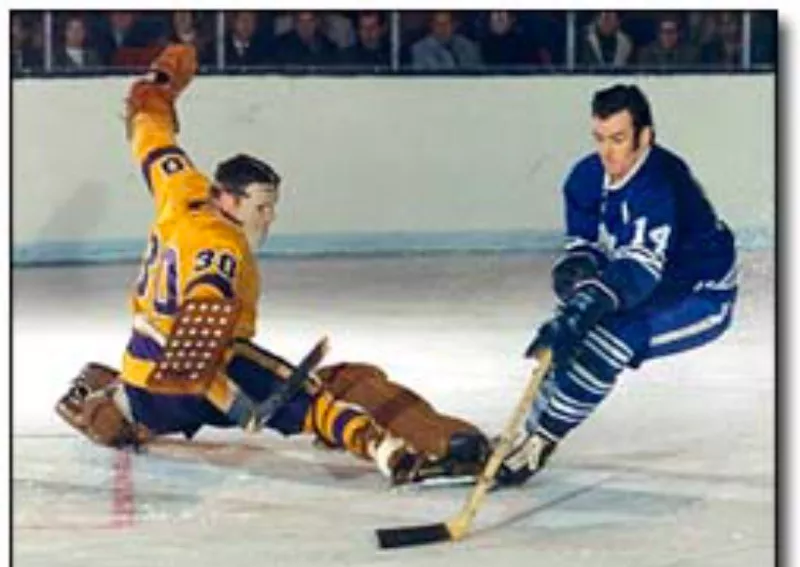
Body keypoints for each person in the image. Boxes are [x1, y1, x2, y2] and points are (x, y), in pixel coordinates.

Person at [54, 44, 488, 486]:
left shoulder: (181, 185)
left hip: (148, 385)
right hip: (202, 373)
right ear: (227, 200)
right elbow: (207, 296)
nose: (269, 217)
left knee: (146, 398)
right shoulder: (220, 245)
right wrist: (222, 382)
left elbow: (149, 128)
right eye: (261, 207)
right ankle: (408, 449)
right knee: (338, 387)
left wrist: (160, 87)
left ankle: (112, 405)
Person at [498, 84, 737, 485]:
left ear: (646, 136)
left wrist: (588, 306)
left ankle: (541, 440)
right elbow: (584, 249)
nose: (608, 152)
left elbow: (638, 270)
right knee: (568, 341)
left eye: (620, 140)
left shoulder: (661, 181)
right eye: (600, 139)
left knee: (608, 341)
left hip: (699, 294)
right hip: (647, 287)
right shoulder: (585, 177)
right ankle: (523, 436)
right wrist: (576, 286)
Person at [410, 11, 483, 71]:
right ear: (432, 25)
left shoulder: (467, 45)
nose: (444, 28)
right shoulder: (419, 48)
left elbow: (478, 70)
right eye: (440, 24)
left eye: (447, 23)